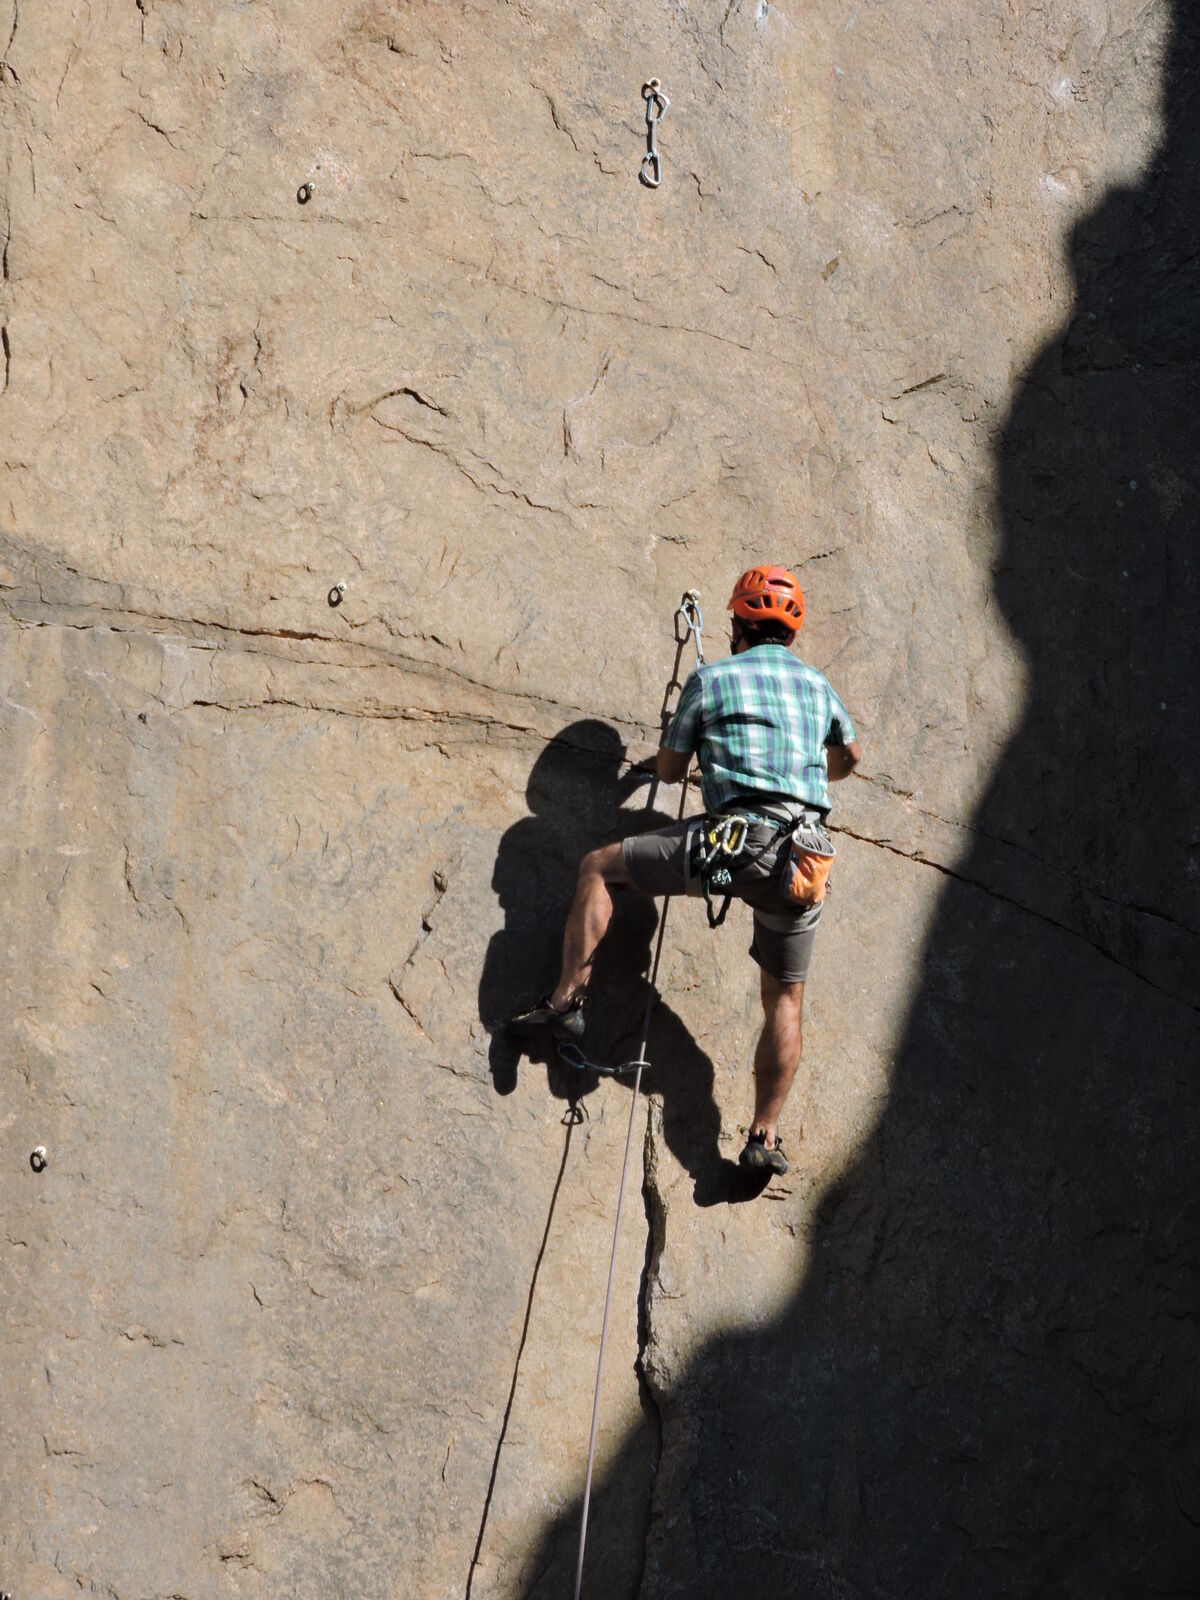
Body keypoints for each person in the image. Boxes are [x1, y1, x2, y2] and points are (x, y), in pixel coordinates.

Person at [510, 566, 861, 1176]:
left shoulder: (713, 677)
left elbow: (670, 773)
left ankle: (567, 997)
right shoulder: (817, 686)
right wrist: (803, 768)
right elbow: (850, 757)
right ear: (790, 632)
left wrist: (688, 757)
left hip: (732, 843)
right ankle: (763, 1136)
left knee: (599, 868)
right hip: (803, 859)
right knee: (785, 1000)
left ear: (738, 624)